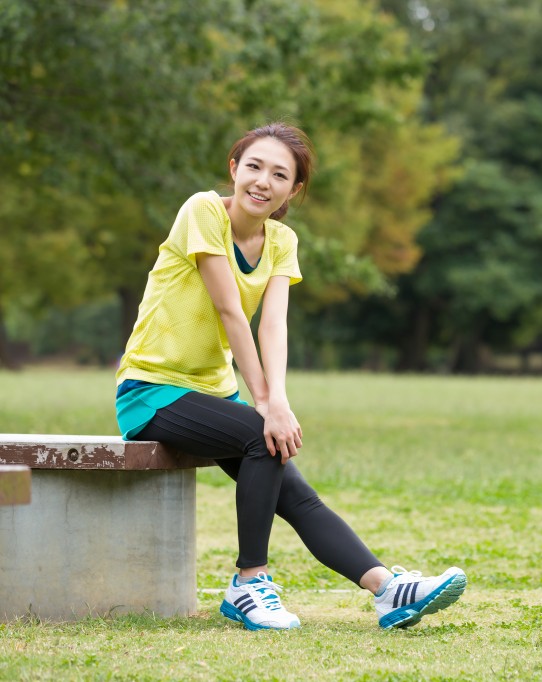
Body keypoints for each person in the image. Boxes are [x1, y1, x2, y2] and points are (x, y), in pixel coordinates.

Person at [114, 122, 466, 631]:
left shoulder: (281, 239)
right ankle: (248, 583)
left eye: (280, 174)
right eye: (254, 166)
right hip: (151, 389)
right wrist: (264, 404)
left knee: (292, 482)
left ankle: (387, 589)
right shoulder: (202, 211)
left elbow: (273, 323)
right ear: (234, 169)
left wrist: (276, 397)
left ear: (294, 190)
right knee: (264, 436)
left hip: (213, 391)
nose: (263, 181)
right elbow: (230, 310)